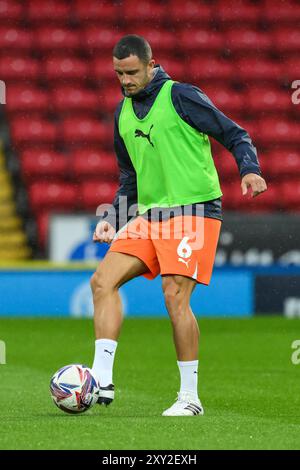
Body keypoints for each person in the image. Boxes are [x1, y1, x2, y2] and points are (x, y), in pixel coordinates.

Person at [90, 35, 267, 416]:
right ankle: (100, 380)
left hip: (194, 211)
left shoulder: (181, 95)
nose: (125, 80)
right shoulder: (121, 114)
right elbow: (130, 180)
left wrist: (250, 170)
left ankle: (190, 397)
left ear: (152, 65)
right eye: (119, 73)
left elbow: (235, 133)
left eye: (132, 72)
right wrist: (112, 219)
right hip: (150, 215)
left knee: (174, 296)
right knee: (101, 281)